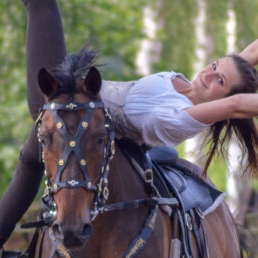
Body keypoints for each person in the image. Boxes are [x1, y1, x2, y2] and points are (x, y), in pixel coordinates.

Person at [1, 0, 258, 248]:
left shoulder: (183, 115)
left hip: (67, 116)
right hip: (73, 101)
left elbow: (236, 105)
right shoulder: (192, 86)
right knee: (28, 165)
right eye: (214, 65)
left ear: (224, 100)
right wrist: (226, 70)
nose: (209, 74)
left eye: (220, 81)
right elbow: (246, 57)